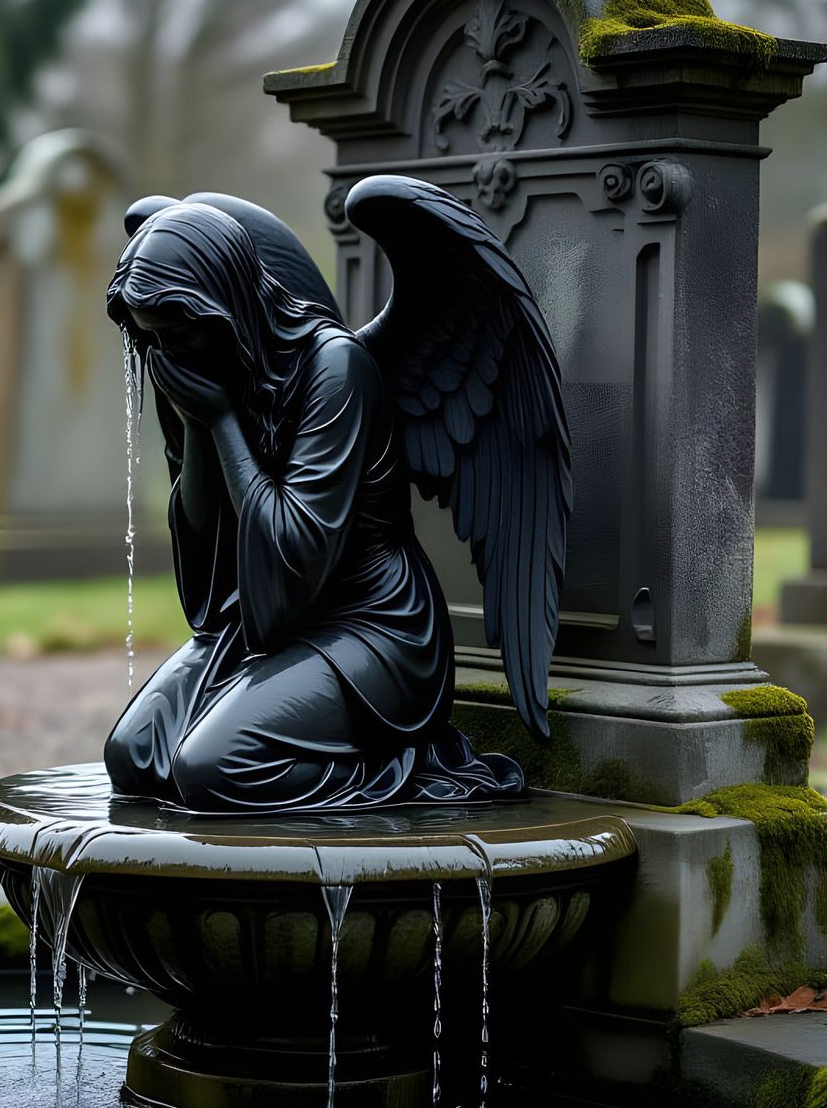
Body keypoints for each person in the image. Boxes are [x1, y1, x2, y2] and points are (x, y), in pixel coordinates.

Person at [103, 200, 525, 813]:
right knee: (134, 757)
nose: (165, 354)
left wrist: (220, 422)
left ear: (224, 307)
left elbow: (294, 555)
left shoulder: (335, 368)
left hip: (371, 627)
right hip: (268, 626)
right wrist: (195, 423)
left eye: (177, 333)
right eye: (152, 338)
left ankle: (397, 774)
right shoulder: (203, 361)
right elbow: (205, 571)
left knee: (210, 768)